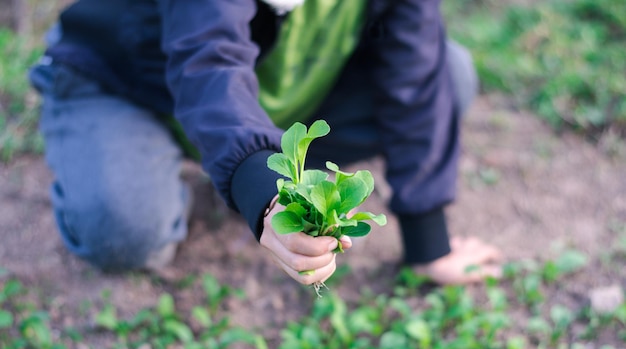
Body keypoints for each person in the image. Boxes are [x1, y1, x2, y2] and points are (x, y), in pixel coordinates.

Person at [29, 0, 501, 287]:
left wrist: (428, 243)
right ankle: (132, 149)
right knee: (122, 231)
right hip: (131, 81)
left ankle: (231, 169)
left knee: (447, 75)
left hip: (265, 93)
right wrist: (263, 190)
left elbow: (412, 74)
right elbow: (208, 63)